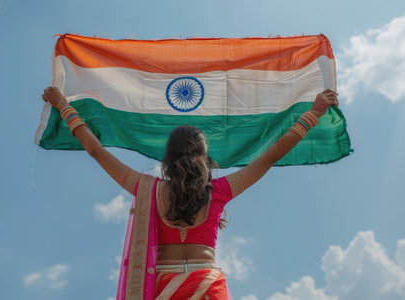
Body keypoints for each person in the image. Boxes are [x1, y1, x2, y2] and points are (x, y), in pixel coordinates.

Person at [42, 87, 339, 299]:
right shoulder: (221, 191)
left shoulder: (146, 188)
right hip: (208, 286)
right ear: (205, 156)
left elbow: (95, 150)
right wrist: (312, 114)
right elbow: (271, 155)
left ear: (168, 157)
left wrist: (63, 105)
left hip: (161, 287)